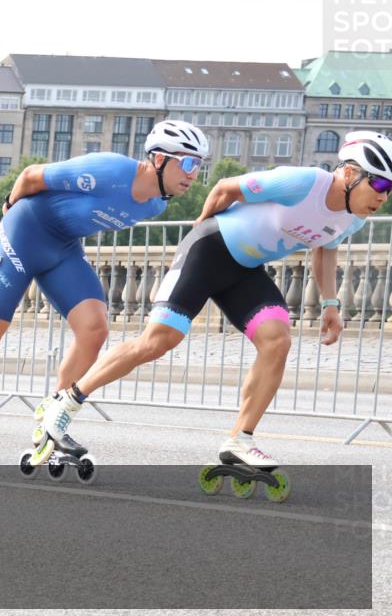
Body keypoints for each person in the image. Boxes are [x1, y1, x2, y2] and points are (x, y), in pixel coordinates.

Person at [37, 130, 392, 468]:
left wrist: (330, 305)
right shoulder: (304, 182)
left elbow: (324, 250)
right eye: (379, 183)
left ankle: (240, 440)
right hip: (210, 248)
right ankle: (66, 402)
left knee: (277, 340)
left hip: (245, 270)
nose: (383, 195)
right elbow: (226, 188)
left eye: (389, 188)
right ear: (348, 173)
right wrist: (198, 236)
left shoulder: (353, 218)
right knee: (159, 342)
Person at [0, 120, 211, 465]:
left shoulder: (155, 205)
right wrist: (9, 209)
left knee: (94, 329)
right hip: (25, 232)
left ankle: (55, 416)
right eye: (189, 163)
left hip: (62, 249)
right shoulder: (110, 169)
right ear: (160, 158)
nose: (194, 174)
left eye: (200, 166)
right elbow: (32, 176)